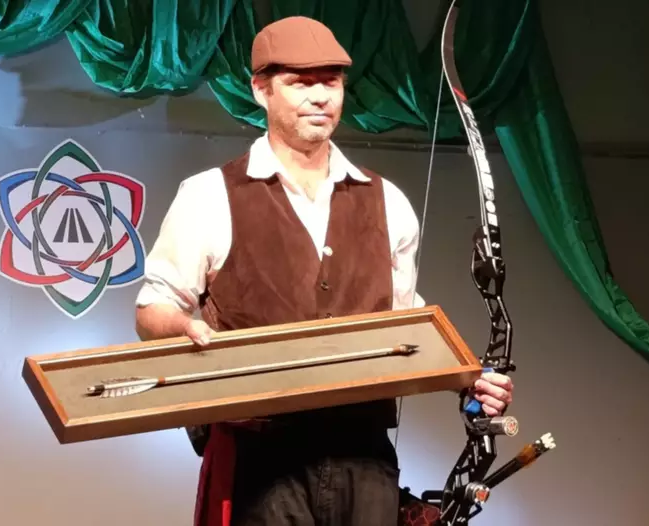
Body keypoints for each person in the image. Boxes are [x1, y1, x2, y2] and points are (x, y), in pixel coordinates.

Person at [134, 15, 515, 526]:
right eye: (300, 83)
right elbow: (153, 308)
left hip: (363, 454)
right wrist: (184, 327)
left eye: (330, 82)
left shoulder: (388, 202)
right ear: (262, 90)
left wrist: (468, 379)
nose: (319, 97)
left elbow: (406, 324)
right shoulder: (209, 195)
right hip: (260, 456)